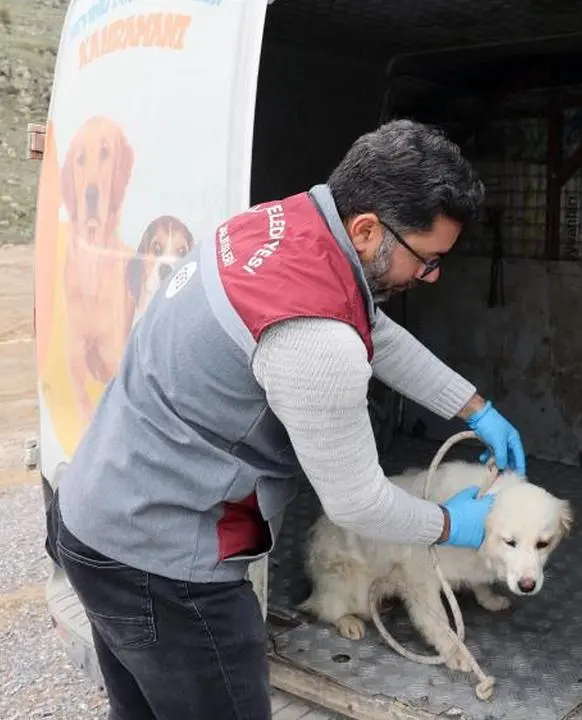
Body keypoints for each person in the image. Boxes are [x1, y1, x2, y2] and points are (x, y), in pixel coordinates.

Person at [44, 118, 528, 719]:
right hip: (162, 568)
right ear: (367, 230)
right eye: (426, 260)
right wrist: (452, 524)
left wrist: (474, 407)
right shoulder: (316, 340)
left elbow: (370, 326)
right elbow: (358, 504)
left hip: (95, 515)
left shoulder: (279, 225)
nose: (431, 277)